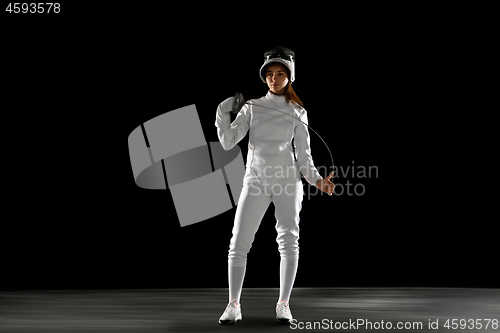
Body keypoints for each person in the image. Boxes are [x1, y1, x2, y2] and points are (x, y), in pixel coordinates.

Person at [215, 46, 334, 325]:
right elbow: (228, 141)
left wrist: (317, 180)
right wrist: (223, 110)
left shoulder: (297, 111)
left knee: (289, 241)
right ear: (264, 77)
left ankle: (283, 304)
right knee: (238, 243)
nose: (274, 79)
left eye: (280, 73)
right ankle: (233, 304)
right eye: (270, 74)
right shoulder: (253, 107)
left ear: (290, 76)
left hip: (287, 182)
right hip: (255, 180)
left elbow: (304, 156)